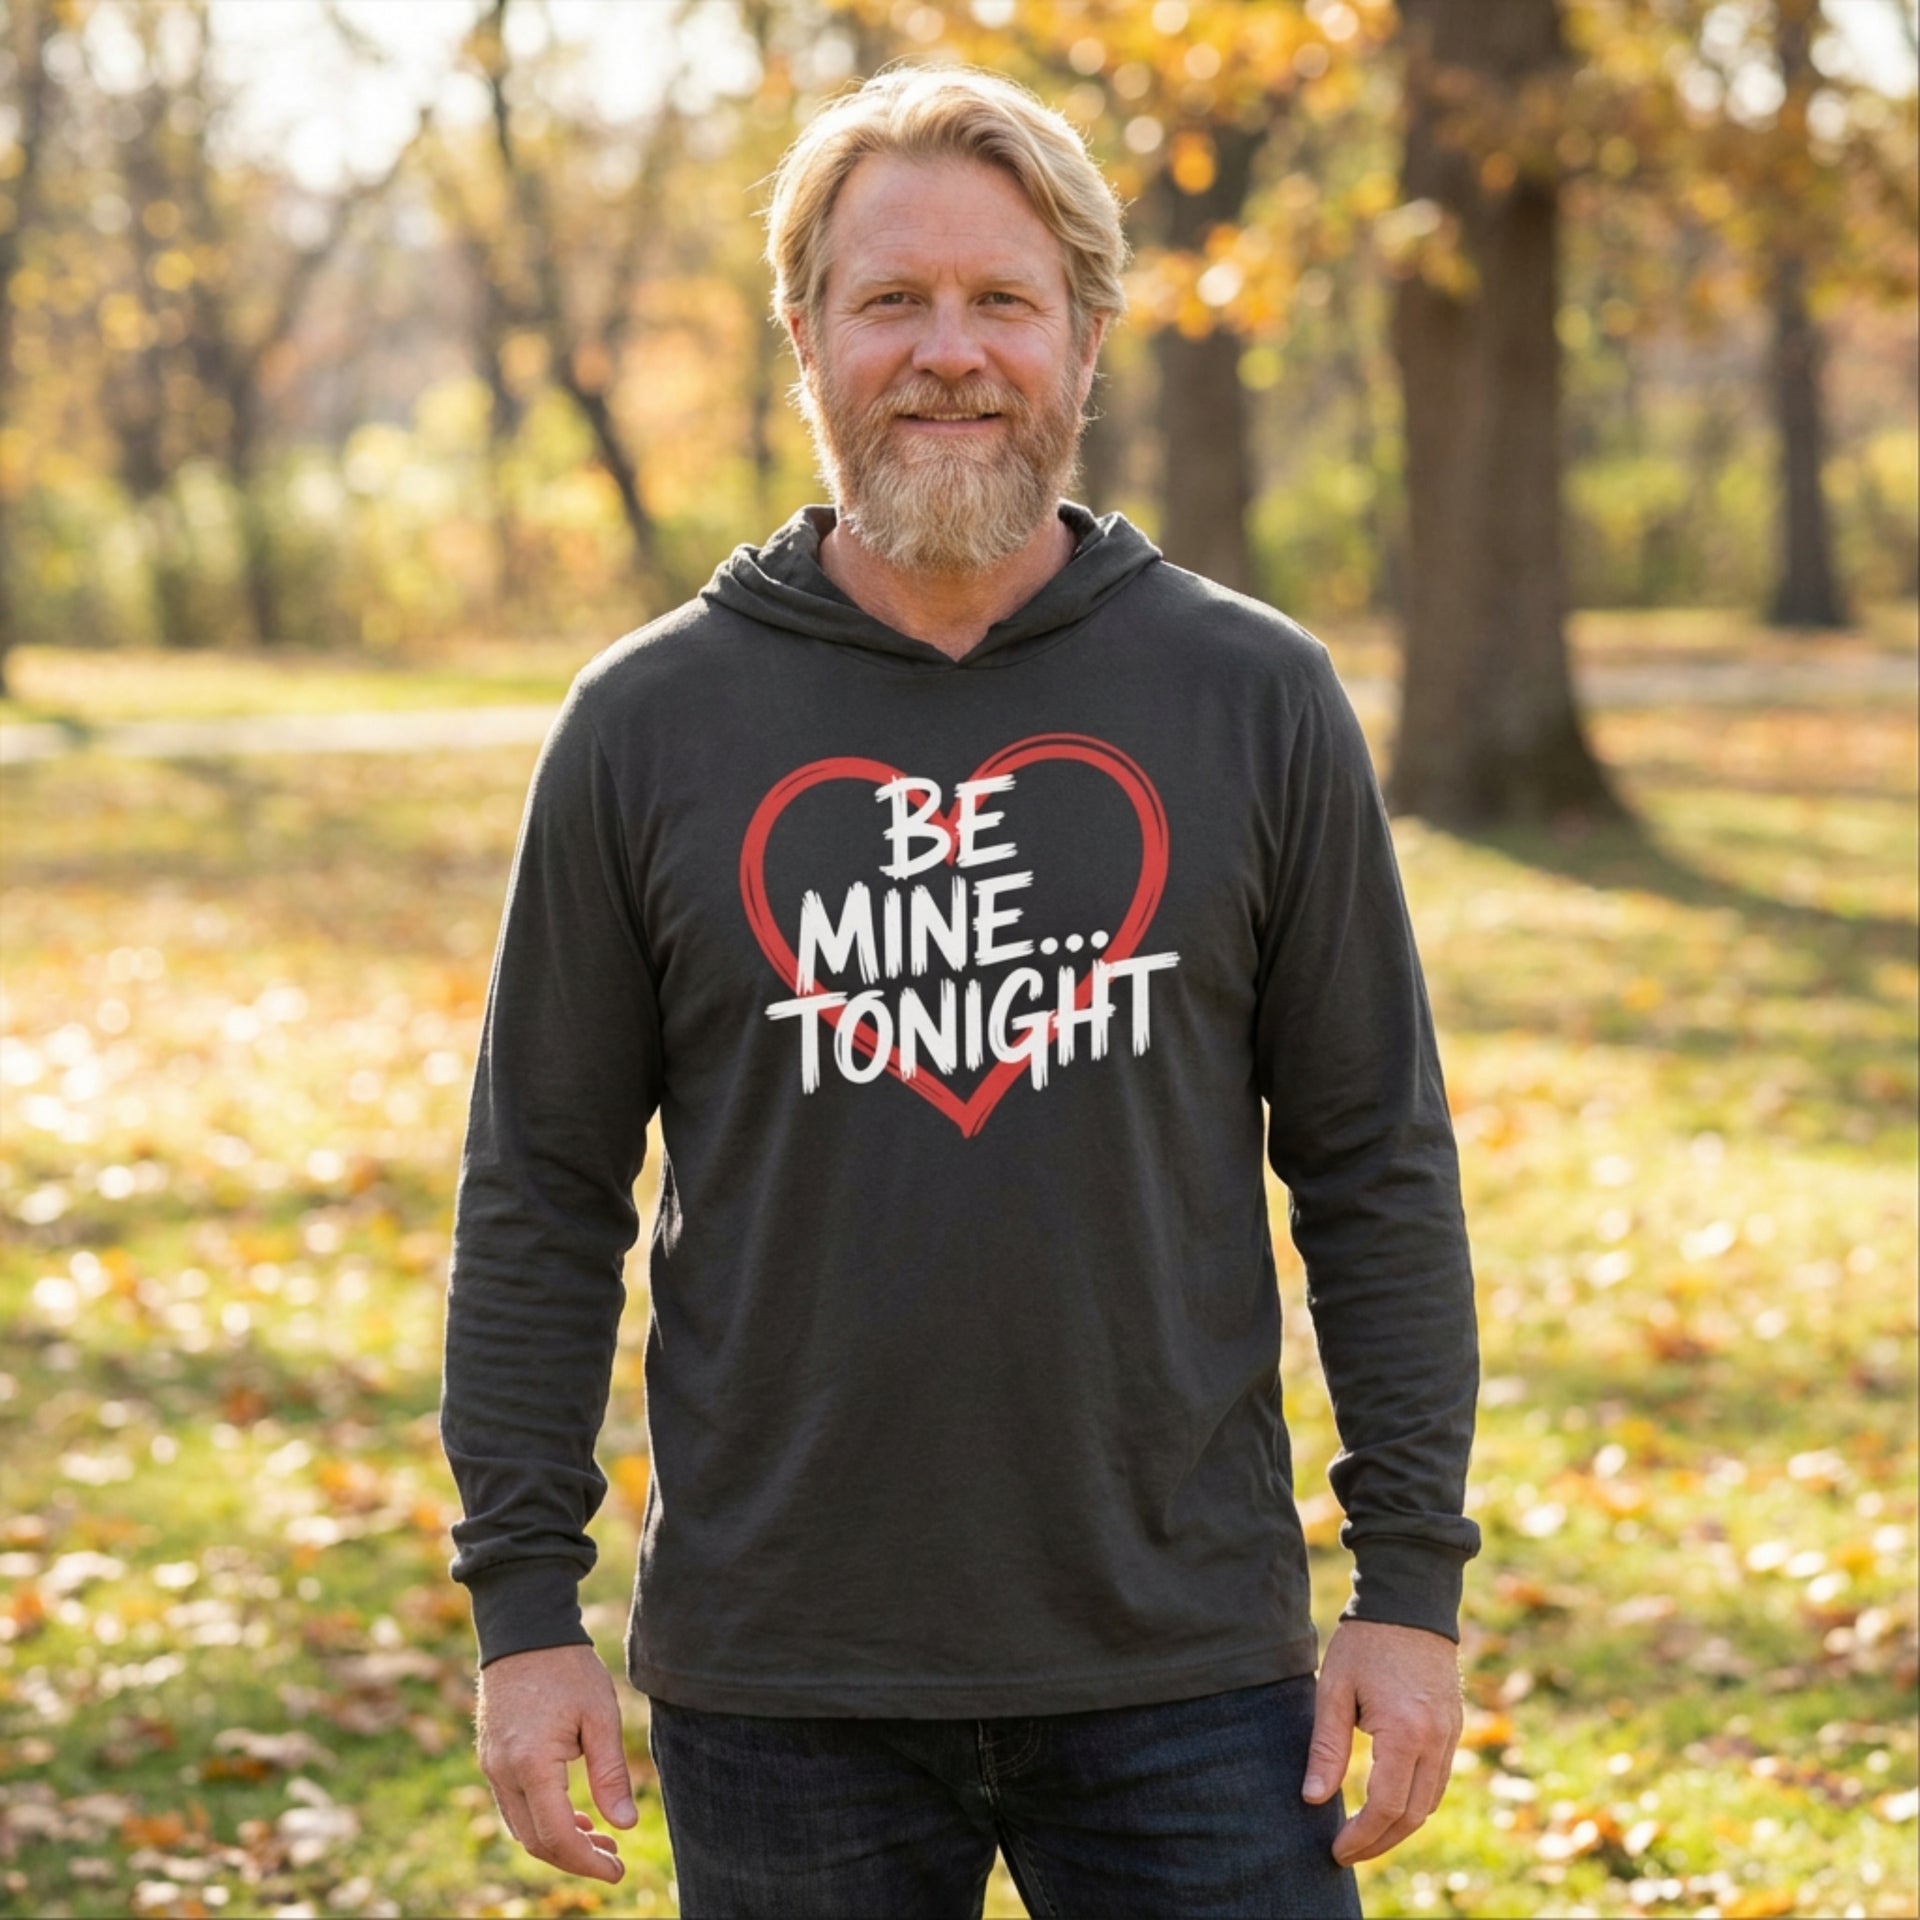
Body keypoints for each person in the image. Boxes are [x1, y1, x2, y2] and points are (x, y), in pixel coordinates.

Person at [440, 63, 1480, 1920]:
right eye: (891, 300)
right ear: (806, 337)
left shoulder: (1253, 699)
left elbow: (1376, 1166)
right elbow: (537, 1199)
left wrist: (1407, 1589)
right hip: (785, 1682)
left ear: (1083, 332)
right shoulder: (645, 727)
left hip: (1195, 1676)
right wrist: (527, 1612)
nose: (950, 352)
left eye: (1002, 299)